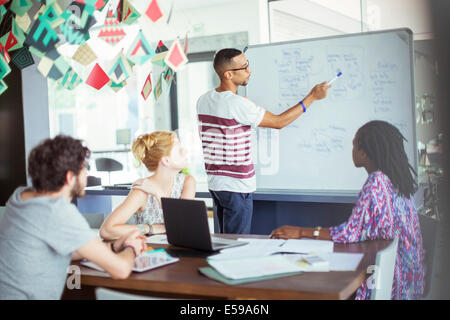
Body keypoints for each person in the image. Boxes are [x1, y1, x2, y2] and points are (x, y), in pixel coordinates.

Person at [270, 120, 425, 300]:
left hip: (390, 285)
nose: (351, 151)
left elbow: (349, 233)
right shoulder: (398, 182)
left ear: (364, 153)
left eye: (354, 145)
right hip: (410, 284)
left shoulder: (376, 183)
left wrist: (299, 232)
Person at [196, 48, 330, 234]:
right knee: (236, 247)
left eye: (247, 64)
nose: (249, 71)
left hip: (216, 185)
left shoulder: (203, 100)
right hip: (237, 187)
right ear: (228, 74)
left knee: (224, 242)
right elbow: (279, 122)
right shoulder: (238, 105)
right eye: (244, 67)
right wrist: (312, 97)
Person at [0, 135, 146, 300]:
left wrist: (111, 246)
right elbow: (120, 270)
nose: (86, 175)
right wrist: (131, 247)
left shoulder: (20, 196)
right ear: (70, 177)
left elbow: (59, 248)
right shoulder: (57, 212)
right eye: (84, 169)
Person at [100, 131, 196, 240]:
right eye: (179, 150)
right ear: (166, 160)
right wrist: (150, 228)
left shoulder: (187, 182)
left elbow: (183, 225)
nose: (185, 151)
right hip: (149, 252)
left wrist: (158, 194)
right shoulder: (142, 190)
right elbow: (106, 230)